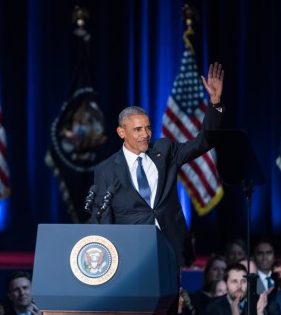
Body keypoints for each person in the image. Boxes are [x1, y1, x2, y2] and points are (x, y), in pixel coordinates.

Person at [90, 62, 225, 266]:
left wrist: (215, 103)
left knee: (173, 298)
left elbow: (203, 142)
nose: (145, 134)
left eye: (147, 128)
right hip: (131, 255)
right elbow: (104, 220)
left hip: (171, 248)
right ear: (121, 132)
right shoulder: (106, 170)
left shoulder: (164, 150)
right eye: (137, 129)